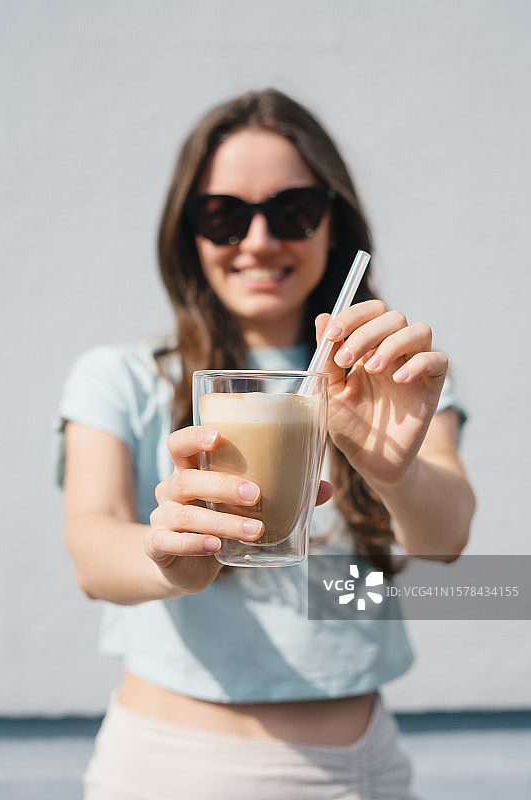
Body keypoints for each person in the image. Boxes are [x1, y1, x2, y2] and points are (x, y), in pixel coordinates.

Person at [55, 88, 475, 800]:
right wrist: (171, 561)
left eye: (291, 211)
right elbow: (92, 551)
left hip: (366, 766)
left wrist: (395, 473)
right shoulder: (119, 376)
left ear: (331, 223)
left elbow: (445, 540)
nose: (257, 241)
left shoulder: (389, 379)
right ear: (185, 230)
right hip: (178, 768)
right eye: (222, 216)